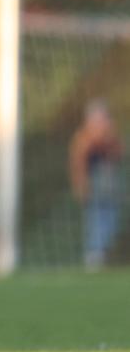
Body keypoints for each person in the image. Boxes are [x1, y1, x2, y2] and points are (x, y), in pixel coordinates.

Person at [69, 100, 124, 270]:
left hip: (110, 187)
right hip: (93, 188)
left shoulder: (111, 138)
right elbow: (78, 164)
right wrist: (81, 185)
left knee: (112, 221)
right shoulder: (83, 140)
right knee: (95, 220)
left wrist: (108, 140)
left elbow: (119, 154)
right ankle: (94, 255)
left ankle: (104, 253)